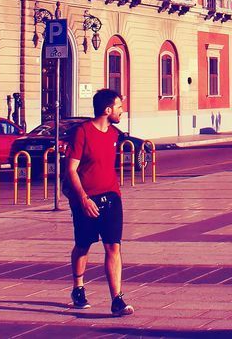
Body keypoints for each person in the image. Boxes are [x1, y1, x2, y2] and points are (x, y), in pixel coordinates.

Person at [66, 88, 134, 317]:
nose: (121, 111)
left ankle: (117, 300)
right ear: (107, 110)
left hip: (112, 198)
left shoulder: (115, 134)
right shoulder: (82, 132)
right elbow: (71, 170)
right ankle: (78, 288)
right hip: (86, 200)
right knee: (83, 245)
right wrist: (83, 199)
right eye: (119, 107)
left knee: (113, 246)